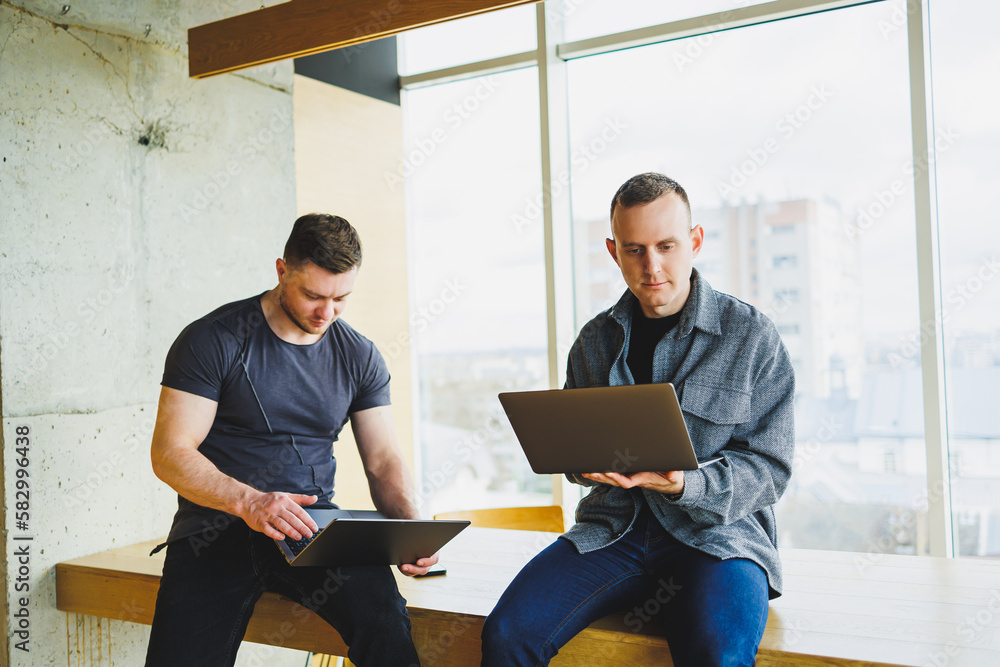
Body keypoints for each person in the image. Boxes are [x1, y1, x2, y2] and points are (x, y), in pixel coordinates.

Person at [481, 173, 795, 667]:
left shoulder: (751, 336)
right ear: (613, 251)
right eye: (634, 250)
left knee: (718, 652)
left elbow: (770, 469)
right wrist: (584, 465)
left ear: (694, 241)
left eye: (667, 246)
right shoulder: (593, 342)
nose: (652, 267)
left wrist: (685, 484)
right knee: (506, 633)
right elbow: (572, 455)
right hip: (614, 532)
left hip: (718, 540)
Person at [145, 213, 434, 667]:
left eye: (341, 298)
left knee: (387, 630)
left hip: (313, 531)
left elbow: (382, 460)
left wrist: (411, 527)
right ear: (282, 271)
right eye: (313, 295)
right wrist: (251, 502)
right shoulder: (212, 339)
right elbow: (169, 453)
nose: (327, 313)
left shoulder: (359, 355)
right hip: (214, 530)